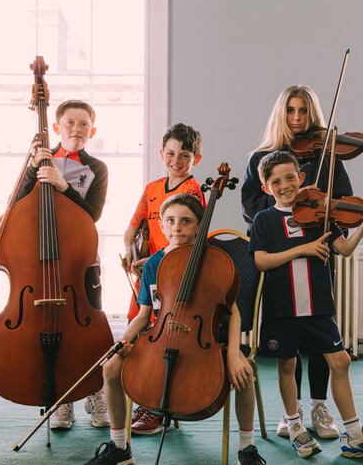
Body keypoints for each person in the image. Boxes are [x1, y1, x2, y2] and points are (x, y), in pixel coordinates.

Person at [86, 194, 266, 465]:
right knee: (111, 367)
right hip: (161, 338)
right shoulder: (154, 264)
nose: (177, 227)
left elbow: (234, 313)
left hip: (206, 339)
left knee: (245, 373)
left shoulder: (217, 262)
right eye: (170, 221)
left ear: (198, 226)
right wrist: (126, 338)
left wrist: (232, 353)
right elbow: (145, 315)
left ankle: (246, 449)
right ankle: (120, 447)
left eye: (186, 221)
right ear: (162, 226)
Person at [250, 151, 363, 460]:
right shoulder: (264, 219)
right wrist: (302, 249)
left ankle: (354, 434)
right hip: (282, 308)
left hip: (318, 306)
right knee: (287, 365)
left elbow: (343, 248)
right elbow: (261, 261)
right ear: (266, 187)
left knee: (341, 361)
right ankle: (294, 426)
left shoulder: (321, 214)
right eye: (276, 181)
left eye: (291, 177)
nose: (285, 185)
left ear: (301, 178)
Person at [241, 85, 351, 439]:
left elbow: (344, 201)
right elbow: (251, 204)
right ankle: (294, 413)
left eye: (304, 111)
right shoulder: (261, 157)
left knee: (319, 332)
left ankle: (320, 407)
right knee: (288, 343)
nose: (297, 118)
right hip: (280, 253)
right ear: (281, 114)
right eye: (291, 110)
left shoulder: (326, 155)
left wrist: (318, 210)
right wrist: (288, 214)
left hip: (317, 247)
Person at [14, 99, 109, 430]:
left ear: (91, 130)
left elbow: (92, 214)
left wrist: (63, 185)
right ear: (57, 127)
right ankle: (61, 399)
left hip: (81, 259)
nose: (76, 129)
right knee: (52, 327)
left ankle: (95, 390)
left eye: (84, 124)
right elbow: (17, 205)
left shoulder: (96, 168)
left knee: (89, 328)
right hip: (42, 260)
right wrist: (32, 169)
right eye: (70, 123)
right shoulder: (42, 158)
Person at [121, 123, 206, 435]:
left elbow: (194, 239)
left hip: (177, 272)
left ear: (196, 158)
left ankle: (159, 406)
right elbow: (132, 228)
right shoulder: (152, 188)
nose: (176, 160)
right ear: (161, 153)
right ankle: (147, 398)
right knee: (140, 331)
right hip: (151, 271)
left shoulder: (194, 192)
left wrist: (156, 260)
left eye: (184, 155)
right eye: (170, 154)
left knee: (166, 336)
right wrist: (131, 252)